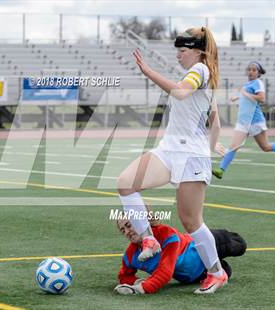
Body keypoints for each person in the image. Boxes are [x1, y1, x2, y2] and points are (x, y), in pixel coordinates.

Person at [117, 27, 228, 294]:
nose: (178, 55)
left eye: (182, 50)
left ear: (199, 51)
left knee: (191, 221)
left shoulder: (201, 70)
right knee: (125, 183)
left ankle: (216, 272)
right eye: (177, 50)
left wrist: (149, 72)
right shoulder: (201, 75)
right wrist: (212, 147)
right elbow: (215, 122)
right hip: (170, 149)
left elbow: (179, 92)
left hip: (190, 156)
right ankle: (149, 240)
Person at [114, 218, 246, 295]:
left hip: (203, 246)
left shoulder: (165, 234)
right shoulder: (130, 255)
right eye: (122, 230)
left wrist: (142, 289)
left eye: (128, 225)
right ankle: (217, 270)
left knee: (239, 245)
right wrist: (137, 282)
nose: (127, 232)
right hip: (196, 275)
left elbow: (165, 273)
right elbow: (124, 276)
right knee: (227, 270)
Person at [212, 61, 275, 179]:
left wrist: (244, 94)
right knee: (233, 146)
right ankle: (220, 170)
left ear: (259, 73)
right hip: (243, 122)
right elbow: (246, 97)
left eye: (254, 70)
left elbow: (261, 98)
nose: (250, 71)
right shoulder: (247, 84)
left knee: (265, 147)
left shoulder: (258, 83)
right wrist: (237, 97)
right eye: (249, 69)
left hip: (255, 121)